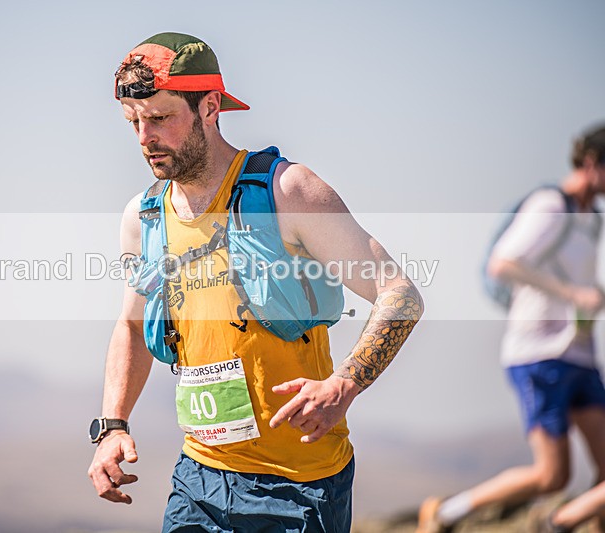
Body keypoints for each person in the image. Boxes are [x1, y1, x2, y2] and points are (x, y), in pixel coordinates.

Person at [87, 32, 423, 532]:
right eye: (133, 121)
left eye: (160, 118)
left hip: (301, 485)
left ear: (210, 106)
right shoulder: (145, 216)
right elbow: (132, 328)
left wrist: (344, 385)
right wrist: (112, 426)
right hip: (198, 477)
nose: (144, 137)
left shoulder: (287, 191)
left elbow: (400, 295)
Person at [417, 124, 605, 533]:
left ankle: (565, 521)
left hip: (580, 352)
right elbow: (502, 263)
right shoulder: (550, 205)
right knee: (552, 476)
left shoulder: (591, 217)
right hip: (538, 354)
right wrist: (572, 292)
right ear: (592, 163)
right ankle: (446, 513)